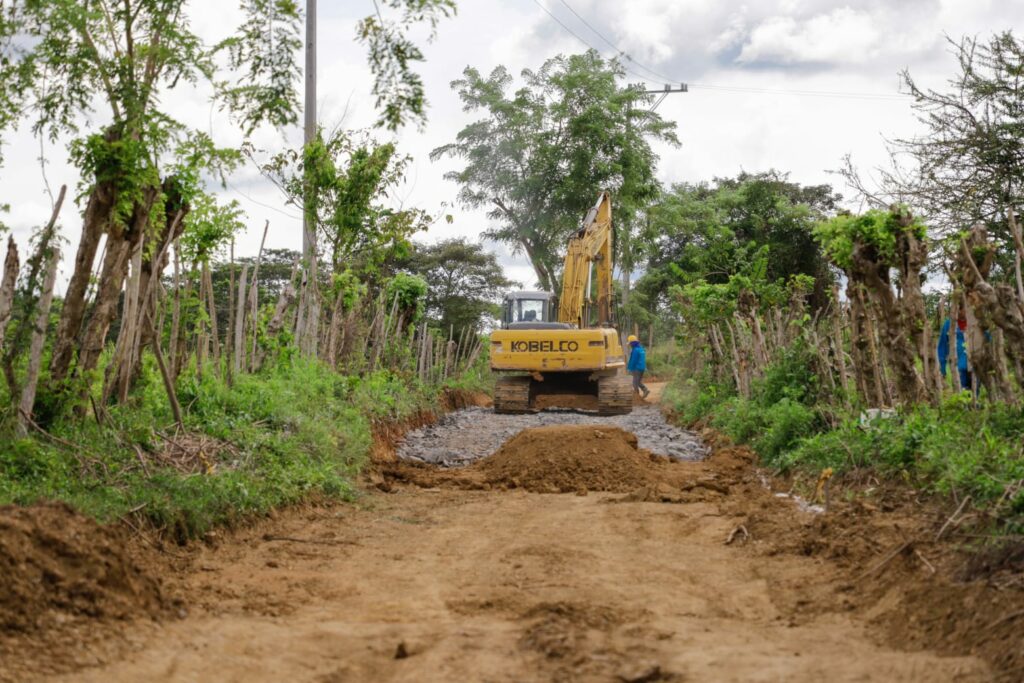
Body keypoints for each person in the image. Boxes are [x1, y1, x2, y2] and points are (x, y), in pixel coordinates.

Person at [937, 312, 971, 391]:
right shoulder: (949, 325)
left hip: (975, 366)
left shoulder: (975, 323)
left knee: (975, 392)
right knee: (961, 391)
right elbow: (942, 346)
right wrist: (942, 367)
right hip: (958, 367)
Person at [626, 334, 650, 399]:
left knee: (634, 383)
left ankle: (636, 397)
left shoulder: (635, 350)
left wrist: (629, 368)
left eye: (630, 343)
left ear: (632, 343)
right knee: (638, 381)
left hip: (637, 369)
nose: (630, 345)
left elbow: (633, 360)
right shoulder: (641, 349)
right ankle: (645, 390)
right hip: (642, 368)